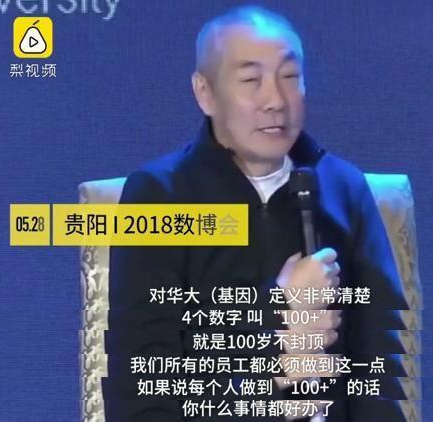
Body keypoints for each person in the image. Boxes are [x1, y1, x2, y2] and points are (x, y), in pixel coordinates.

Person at [103, 5, 411, 421]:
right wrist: (277, 317)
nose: (275, 101)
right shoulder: (160, 195)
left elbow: (380, 364)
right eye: (251, 81)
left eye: (290, 77)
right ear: (205, 92)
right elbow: (141, 388)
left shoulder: (344, 188)